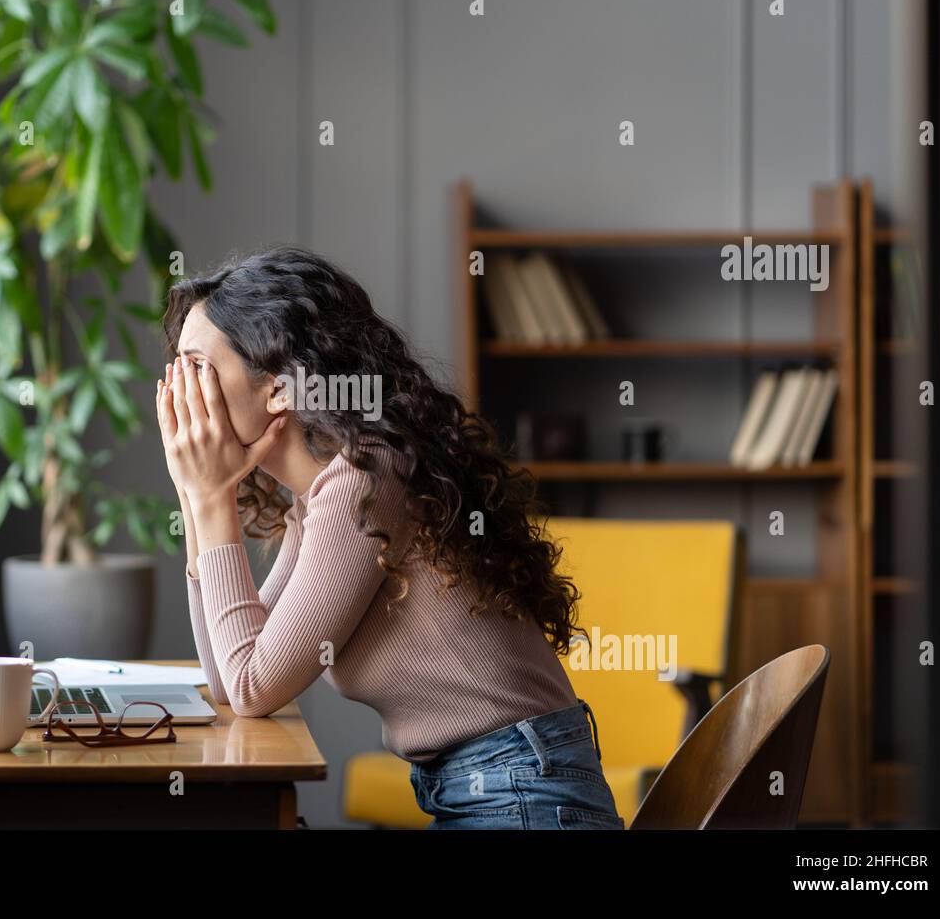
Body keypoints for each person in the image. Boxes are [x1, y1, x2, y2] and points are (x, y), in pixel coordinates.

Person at [155, 246, 623, 830]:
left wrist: (208, 498)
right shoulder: (323, 497)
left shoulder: (368, 477)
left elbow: (253, 687)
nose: (176, 391)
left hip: (524, 795)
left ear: (279, 390)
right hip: (494, 788)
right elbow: (229, 677)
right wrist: (194, 493)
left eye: (197, 367)